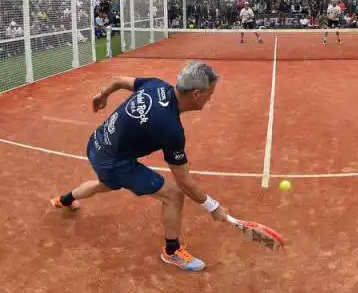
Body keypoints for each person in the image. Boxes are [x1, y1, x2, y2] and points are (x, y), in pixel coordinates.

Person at [50, 61, 229, 272]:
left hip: (97, 142)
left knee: (104, 184)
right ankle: (172, 252)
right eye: (211, 93)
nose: (211, 99)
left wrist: (102, 95)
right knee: (173, 194)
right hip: (113, 161)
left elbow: (118, 81)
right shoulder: (171, 129)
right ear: (197, 94)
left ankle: (64, 200)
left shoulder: (157, 85)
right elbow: (184, 182)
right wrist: (213, 207)